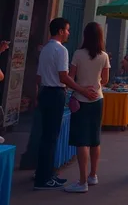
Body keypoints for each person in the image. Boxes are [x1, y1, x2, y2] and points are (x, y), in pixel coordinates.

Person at [34, 18, 97, 191]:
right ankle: (44, 178)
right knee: (51, 137)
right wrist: (82, 90)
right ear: (60, 31)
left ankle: (44, 173)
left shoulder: (46, 49)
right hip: (55, 93)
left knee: (46, 135)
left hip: (46, 91)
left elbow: (39, 76)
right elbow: (64, 76)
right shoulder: (61, 50)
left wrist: (37, 94)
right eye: (67, 30)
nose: (69, 33)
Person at [65, 23, 110, 193]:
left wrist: (83, 89)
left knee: (81, 141)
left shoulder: (78, 54)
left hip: (80, 99)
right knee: (94, 139)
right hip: (97, 99)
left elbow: (71, 77)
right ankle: (93, 175)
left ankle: (82, 181)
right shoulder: (104, 56)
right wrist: (95, 85)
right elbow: (105, 80)